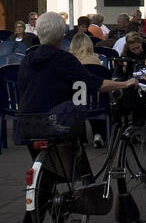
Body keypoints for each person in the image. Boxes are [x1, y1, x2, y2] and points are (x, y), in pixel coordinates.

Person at [17, 11, 137, 142]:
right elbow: (96, 84)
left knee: (46, 162)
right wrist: (124, 84)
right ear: (61, 35)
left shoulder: (27, 59)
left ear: (38, 33)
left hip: (27, 123)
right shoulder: (64, 59)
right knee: (69, 156)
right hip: (55, 122)